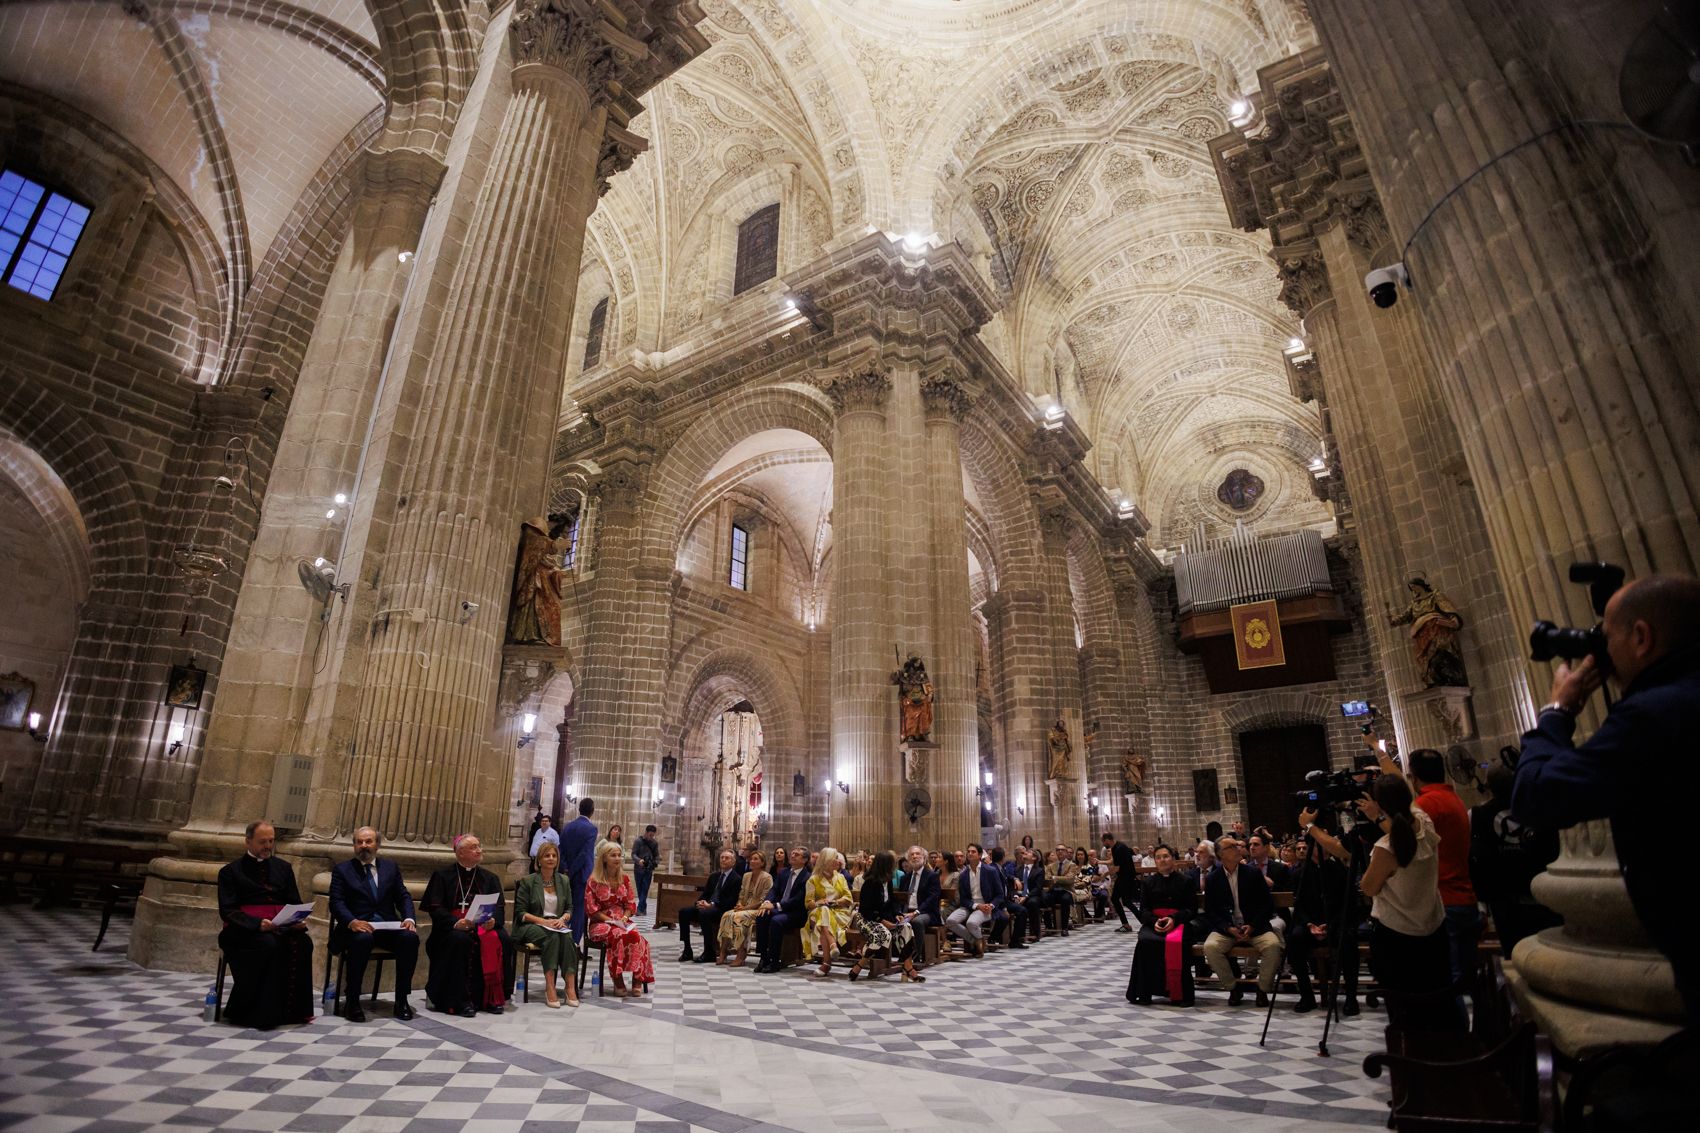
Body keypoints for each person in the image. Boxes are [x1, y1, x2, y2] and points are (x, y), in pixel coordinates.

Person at [1512, 574, 1700, 1022]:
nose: (1601, 650)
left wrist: (1556, 713)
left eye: (1606, 636)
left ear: (1641, 637)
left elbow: (1536, 794)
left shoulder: (1656, 715)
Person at [216, 820, 313, 1030]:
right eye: (262, 842)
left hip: (280, 926)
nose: (268, 846)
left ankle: (293, 1013)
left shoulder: (283, 868)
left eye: (271, 841)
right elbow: (228, 911)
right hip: (242, 930)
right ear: (248, 842)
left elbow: (294, 902)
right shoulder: (230, 872)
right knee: (268, 945)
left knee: (304, 943)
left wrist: (297, 919)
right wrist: (257, 924)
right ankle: (259, 1014)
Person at [1402, 747, 1480, 1010]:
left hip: (1444, 900)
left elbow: (1408, 849)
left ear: (1413, 777)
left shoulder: (1426, 805)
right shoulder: (1453, 799)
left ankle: (1455, 1046)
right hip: (1462, 897)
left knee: (1446, 982)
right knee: (1458, 979)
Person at [327, 825, 418, 1022]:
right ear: (354, 846)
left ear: (377, 844)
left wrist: (409, 918)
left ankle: (401, 1000)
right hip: (355, 929)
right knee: (362, 940)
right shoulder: (343, 870)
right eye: (359, 842)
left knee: (409, 939)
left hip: (386, 927)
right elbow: (336, 902)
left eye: (368, 841)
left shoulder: (390, 868)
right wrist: (351, 921)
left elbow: (403, 896)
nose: (363, 846)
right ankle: (352, 1001)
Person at [1471, 762, 1559, 957]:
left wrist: (1482, 900)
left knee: (1516, 953)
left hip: (1505, 895)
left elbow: (1477, 855)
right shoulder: (1538, 809)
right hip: (1540, 889)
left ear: (1489, 786)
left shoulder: (1479, 815)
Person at [422, 833, 512, 1017]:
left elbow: (499, 908)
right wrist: (456, 923)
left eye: (479, 846)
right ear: (460, 852)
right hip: (451, 928)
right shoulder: (442, 876)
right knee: (459, 940)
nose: (479, 850)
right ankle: (458, 1001)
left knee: (503, 938)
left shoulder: (490, 878)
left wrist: (493, 921)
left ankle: (490, 999)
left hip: (482, 926)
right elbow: (435, 908)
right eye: (474, 847)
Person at [1200, 835, 1283, 1007]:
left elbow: (1266, 905)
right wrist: (1228, 928)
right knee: (1210, 947)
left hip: (1255, 927)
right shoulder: (1213, 879)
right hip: (1227, 930)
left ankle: (1263, 989)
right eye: (1232, 847)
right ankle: (1233, 988)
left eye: (1238, 845)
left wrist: (1251, 926)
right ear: (1221, 854)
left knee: (1273, 946)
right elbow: (1211, 911)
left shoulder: (1252, 873)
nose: (1239, 848)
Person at [513, 842, 580, 1008]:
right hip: (532, 925)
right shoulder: (528, 881)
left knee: (566, 935)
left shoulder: (563, 880)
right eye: (546, 855)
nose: (551, 858)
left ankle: (569, 986)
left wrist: (563, 919)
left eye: (554, 855)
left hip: (556, 924)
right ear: (539, 860)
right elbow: (520, 913)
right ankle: (550, 986)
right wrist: (544, 921)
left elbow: (569, 908)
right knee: (553, 936)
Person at [1285, 833, 1347, 1014]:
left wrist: (1331, 925)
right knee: (1294, 938)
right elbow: (1299, 905)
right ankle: (1306, 995)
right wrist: (1308, 924)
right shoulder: (1300, 873)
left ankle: (1348, 996)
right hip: (1309, 923)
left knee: (1348, 938)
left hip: (1333, 923)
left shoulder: (1339, 871)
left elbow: (1345, 904)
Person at [1126, 844, 1195, 1007]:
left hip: (1179, 923)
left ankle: (1181, 994)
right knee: (1145, 942)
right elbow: (1143, 911)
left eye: (1166, 856)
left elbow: (1191, 909)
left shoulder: (1186, 881)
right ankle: (1145, 991)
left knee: (1179, 944)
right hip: (1154, 923)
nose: (1162, 860)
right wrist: (1153, 921)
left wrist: (1173, 918)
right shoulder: (1148, 882)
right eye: (1158, 857)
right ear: (1155, 861)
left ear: (1173, 859)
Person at [584, 839, 653, 997]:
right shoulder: (593, 881)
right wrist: (610, 921)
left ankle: (637, 978)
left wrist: (623, 917)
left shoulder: (625, 879)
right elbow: (591, 909)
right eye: (613, 855)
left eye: (619, 855)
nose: (617, 858)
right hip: (600, 922)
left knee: (636, 936)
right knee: (617, 935)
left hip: (622, 921)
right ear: (604, 859)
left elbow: (630, 904)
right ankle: (618, 979)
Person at [849, 850, 922, 982]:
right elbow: (866, 910)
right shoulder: (870, 883)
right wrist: (882, 921)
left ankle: (908, 968)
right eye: (892, 864)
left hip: (884, 919)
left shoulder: (887, 881)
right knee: (884, 935)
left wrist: (898, 915)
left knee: (906, 928)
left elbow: (891, 902)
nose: (894, 867)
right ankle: (860, 965)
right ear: (885, 865)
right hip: (867, 919)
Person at [678, 848, 740, 963]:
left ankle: (709, 952)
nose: (723, 860)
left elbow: (731, 901)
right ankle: (687, 949)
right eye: (722, 858)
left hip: (723, 910)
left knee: (704, 913)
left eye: (727, 858)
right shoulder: (714, 876)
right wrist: (700, 902)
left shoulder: (736, 879)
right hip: (707, 908)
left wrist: (711, 905)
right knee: (684, 912)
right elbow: (705, 894)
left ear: (733, 862)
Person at [755, 845, 810, 973]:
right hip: (781, 909)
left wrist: (775, 906)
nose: (792, 855)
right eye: (792, 853)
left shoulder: (807, 877)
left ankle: (775, 961)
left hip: (796, 913)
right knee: (761, 915)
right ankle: (764, 958)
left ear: (804, 860)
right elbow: (774, 890)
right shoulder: (784, 872)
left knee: (776, 921)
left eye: (797, 855)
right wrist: (768, 901)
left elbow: (798, 899)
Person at [945, 843, 1005, 957]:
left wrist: (991, 906)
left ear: (980, 855)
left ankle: (978, 943)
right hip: (970, 905)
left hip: (986, 906)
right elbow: (963, 899)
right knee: (950, 921)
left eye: (973, 852)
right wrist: (976, 906)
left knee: (971, 923)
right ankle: (978, 940)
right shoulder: (963, 875)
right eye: (968, 851)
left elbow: (999, 894)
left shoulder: (990, 871)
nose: (970, 854)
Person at [804, 847, 854, 977]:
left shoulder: (841, 877)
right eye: (835, 858)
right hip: (817, 913)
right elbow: (808, 903)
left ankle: (826, 963)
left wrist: (835, 902)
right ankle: (832, 945)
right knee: (823, 911)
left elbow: (849, 898)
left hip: (839, 914)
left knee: (823, 923)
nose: (838, 861)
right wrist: (818, 902)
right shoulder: (813, 879)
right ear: (826, 860)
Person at [717, 848, 772, 966]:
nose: (752, 861)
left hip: (757, 909)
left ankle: (741, 953)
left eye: (755, 859)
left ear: (762, 863)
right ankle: (723, 951)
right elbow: (741, 894)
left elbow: (763, 900)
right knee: (727, 915)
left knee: (738, 918)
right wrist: (739, 904)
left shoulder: (766, 877)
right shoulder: (746, 876)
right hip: (744, 907)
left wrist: (745, 908)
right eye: (751, 859)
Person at [560, 797, 598, 943]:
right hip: (581, 875)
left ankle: (564, 940)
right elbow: (584, 854)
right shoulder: (591, 828)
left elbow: (561, 850)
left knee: (566, 908)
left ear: (579, 809)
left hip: (567, 874)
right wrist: (573, 870)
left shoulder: (568, 827)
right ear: (592, 811)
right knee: (579, 911)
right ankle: (574, 944)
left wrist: (566, 869)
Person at [895, 843, 942, 941]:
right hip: (907, 912)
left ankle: (917, 954)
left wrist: (916, 912)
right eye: (912, 855)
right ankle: (900, 952)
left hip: (926, 912)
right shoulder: (905, 878)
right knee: (891, 918)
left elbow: (932, 898)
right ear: (908, 859)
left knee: (917, 921)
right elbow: (900, 898)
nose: (914, 856)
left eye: (917, 854)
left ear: (924, 858)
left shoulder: (931, 876)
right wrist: (898, 913)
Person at [1101, 831, 1140, 933]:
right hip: (1123, 877)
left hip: (1126, 877)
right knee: (1116, 899)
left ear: (1108, 840)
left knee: (1126, 901)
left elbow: (1117, 868)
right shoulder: (1116, 847)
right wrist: (1100, 861)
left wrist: (1104, 875)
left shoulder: (1119, 848)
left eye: (1103, 842)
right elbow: (1113, 861)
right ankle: (1126, 925)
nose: (1103, 844)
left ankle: (1143, 923)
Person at [1010, 848, 1048, 943]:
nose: (1025, 853)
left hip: (1033, 895)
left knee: (1032, 903)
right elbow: (1012, 886)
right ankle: (1019, 934)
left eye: (1028, 852)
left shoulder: (1039, 871)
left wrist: (1026, 896)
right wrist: (1016, 896)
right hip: (1019, 895)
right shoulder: (1018, 869)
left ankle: (1035, 933)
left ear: (1034, 858)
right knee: (1013, 903)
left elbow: (1038, 888)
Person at [1045, 845, 1079, 935]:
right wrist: (1060, 878)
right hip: (1054, 890)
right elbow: (1047, 879)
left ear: (1066, 852)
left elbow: (1069, 879)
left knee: (1065, 899)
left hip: (1067, 890)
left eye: (1062, 850)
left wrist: (1055, 878)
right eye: (1058, 850)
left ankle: (1064, 928)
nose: (1060, 851)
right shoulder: (1051, 866)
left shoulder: (1072, 865)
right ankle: (1049, 926)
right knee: (1044, 898)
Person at [632, 824, 660, 916]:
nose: (651, 837)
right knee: (640, 889)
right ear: (646, 832)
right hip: (638, 869)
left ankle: (639, 909)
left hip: (648, 869)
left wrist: (655, 862)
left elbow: (657, 856)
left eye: (653, 835)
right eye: (650, 835)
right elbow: (633, 854)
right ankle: (643, 908)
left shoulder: (654, 843)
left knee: (645, 889)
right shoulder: (638, 841)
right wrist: (639, 860)